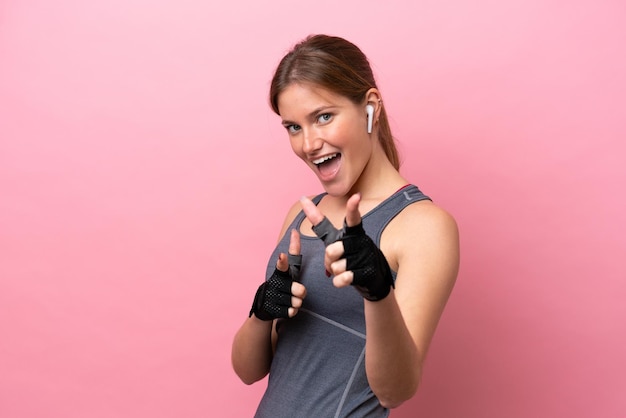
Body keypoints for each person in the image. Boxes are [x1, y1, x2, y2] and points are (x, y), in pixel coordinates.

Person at [231, 34, 459, 417]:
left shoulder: (424, 226)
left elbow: (396, 391)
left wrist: (377, 292)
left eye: (323, 117)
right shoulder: (301, 216)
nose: (309, 143)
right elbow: (247, 370)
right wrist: (261, 313)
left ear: (370, 107)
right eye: (294, 127)